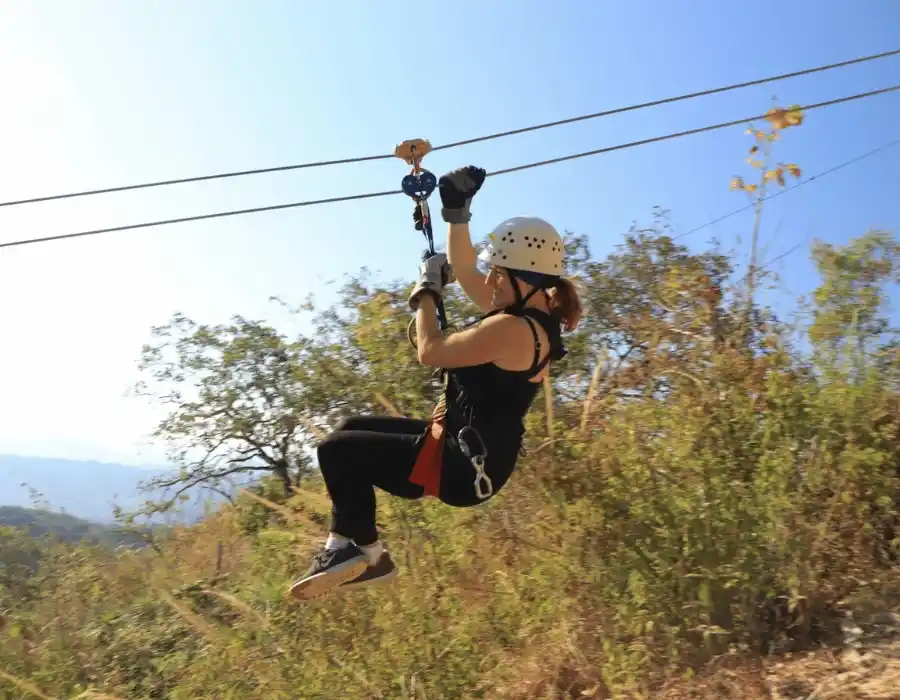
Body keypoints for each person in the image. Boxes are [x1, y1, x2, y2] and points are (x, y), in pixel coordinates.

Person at [288, 165, 583, 601]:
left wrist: (425, 292)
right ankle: (366, 553)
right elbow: (465, 270)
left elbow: (431, 351)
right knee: (349, 427)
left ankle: (354, 550)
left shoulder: (513, 330)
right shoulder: (532, 317)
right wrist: (456, 213)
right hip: (464, 449)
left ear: (524, 279)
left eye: (497, 274)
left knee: (336, 450)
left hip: (463, 469)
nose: (489, 282)